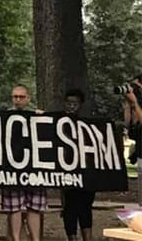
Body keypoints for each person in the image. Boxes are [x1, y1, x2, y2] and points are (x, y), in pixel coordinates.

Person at [1, 85, 46, 241]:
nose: (18, 100)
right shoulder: (4, 117)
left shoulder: (37, 116)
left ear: (28, 98)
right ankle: (16, 238)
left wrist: (43, 119)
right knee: (14, 207)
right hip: (12, 168)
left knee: (34, 206)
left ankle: (35, 239)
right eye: (15, 97)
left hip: (34, 168)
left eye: (21, 97)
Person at [62, 88, 94, 241]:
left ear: (81, 104)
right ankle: (72, 237)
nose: (71, 106)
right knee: (70, 206)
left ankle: (87, 236)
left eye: (75, 103)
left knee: (85, 205)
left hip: (86, 171)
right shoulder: (59, 123)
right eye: (68, 103)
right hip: (67, 170)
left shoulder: (89, 124)